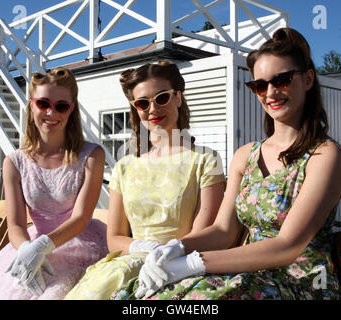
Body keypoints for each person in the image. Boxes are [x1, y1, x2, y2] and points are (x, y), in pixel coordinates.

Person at [112, 28, 341, 300]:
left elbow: (288, 245)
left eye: (281, 80)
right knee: (133, 296)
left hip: (301, 281)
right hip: (246, 272)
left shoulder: (325, 154)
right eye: (259, 85)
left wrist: (192, 264)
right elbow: (224, 231)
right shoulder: (245, 155)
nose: (270, 92)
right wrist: (175, 247)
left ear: (307, 80)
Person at [65, 61, 226, 300]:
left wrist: (167, 252)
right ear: (135, 109)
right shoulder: (124, 167)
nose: (153, 109)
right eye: (142, 103)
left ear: (178, 98)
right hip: (126, 266)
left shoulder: (206, 160)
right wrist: (143, 248)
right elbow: (114, 239)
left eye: (162, 98)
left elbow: (205, 233)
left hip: (180, 267)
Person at [0, 67, 109, 300]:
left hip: (82, 245)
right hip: (31, 245)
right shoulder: (14, 162)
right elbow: (16, 225)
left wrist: (43, 246)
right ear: (31, 104)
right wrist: (26, 250)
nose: (51, 112)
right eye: (43, 103)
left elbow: (81, 217)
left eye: (61, 106)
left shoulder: (92, 155)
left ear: (71, 110)